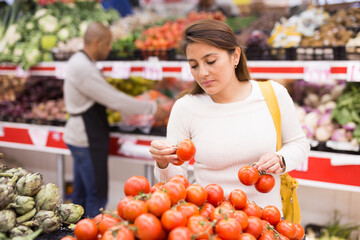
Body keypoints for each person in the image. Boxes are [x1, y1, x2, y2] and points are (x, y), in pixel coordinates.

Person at [149, 19, 310, 212]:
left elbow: (299, 144)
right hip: (212, 222)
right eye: (194, 65)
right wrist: (163, 161)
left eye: (210, 61)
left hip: (267, 223)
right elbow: (174, 183)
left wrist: (281, 159)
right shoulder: (186, 108)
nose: (203, 73)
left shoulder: (273, 94)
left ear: (235, 56)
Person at [63, 22, 163, 218]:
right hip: (87, 139)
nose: (110, 49)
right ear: (97, 42)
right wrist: (152, 108)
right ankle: (92, 231)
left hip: (81, 136)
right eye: (108, 44)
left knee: (80, 198)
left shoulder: (80, 61)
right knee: (96, 198)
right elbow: (114, 99)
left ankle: (75, 233)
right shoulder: (83, 67)